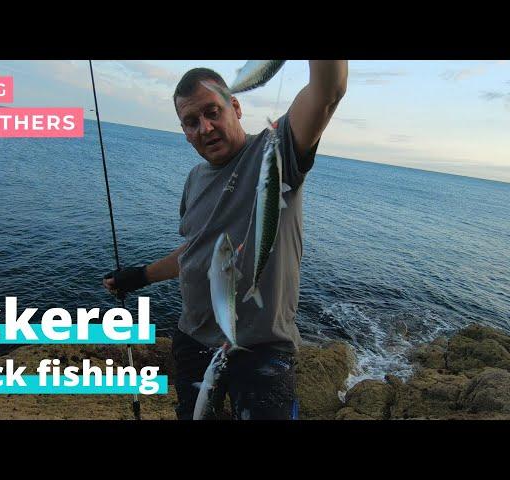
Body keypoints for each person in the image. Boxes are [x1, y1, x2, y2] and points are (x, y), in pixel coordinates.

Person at [103, 61, 348, 420]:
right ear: (184, 131)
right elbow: (197, 250)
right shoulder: (194, 180)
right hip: (193, 341)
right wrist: (140, 276)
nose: (205, 127)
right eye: (191, 121)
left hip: (261, 350)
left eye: (212, 111)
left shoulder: (275, 153)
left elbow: (328, 91)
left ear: (235, 107)